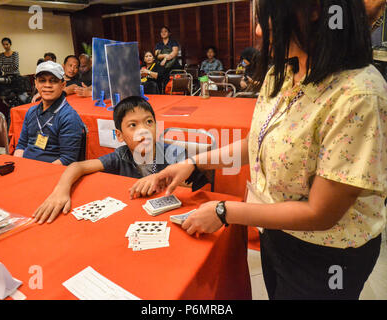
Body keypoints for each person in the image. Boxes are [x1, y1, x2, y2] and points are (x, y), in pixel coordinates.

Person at [129, 0, 387, 300]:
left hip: (326, 254)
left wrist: (226, 211)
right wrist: (194, 164)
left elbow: (321, 213)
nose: (259, 31)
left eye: (267, 19)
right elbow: (259, 142)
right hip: (274, 228)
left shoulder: (359, 95)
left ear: (314, 11)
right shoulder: (283, 73)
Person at [33, 96, 208, 224]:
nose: (143, 130)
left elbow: (191, 189)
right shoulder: (121, 155)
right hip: (133, 218)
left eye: (149, 122)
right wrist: (61, 190)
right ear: (119, 135)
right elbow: (77, 166)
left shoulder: (175, 152)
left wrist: (159, 179)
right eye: (133, 125)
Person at [14, 61, 84, 167]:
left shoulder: (69, 117)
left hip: (50, 172)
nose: (47, 85)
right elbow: (21, 146)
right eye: (42, 81)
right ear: (36, 84)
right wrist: (19, 166)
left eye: (53, 81)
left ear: (63, 84)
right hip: (25, 167)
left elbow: (67, 159)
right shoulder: (31, 112)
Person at [155, 26, 181, 91]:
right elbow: (157, 55)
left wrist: (164, 59)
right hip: (162, 66)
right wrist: (165, 55)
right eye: (162, 32)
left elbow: (174, 54)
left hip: (173, 66)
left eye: (165, 31)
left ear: (169, 33)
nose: (163, 33)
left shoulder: (173, 42)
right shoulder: (159, 44)